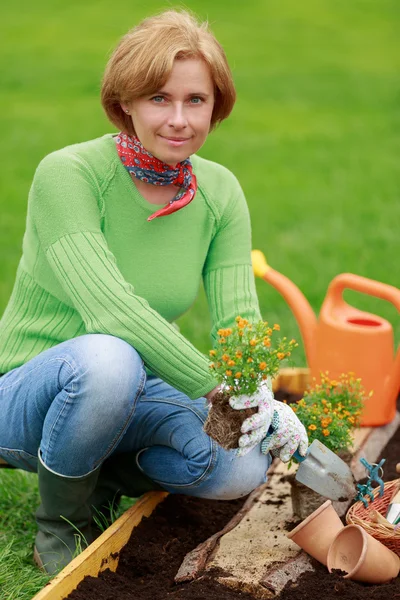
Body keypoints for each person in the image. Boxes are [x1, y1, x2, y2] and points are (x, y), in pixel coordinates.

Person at [0, 9, 308, 575]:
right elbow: (109, 310)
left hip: (133, 387)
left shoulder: (219, 192)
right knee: (107, 357)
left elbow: (238, 320)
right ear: (126, 104)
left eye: (196, 100)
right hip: (29, 394)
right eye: (159, 98)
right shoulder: (69, 174)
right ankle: (61, 521)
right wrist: (218, 391)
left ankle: (98, 471)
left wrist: (256, 394)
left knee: (239, 466)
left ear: (217, 107)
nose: (179, 119)